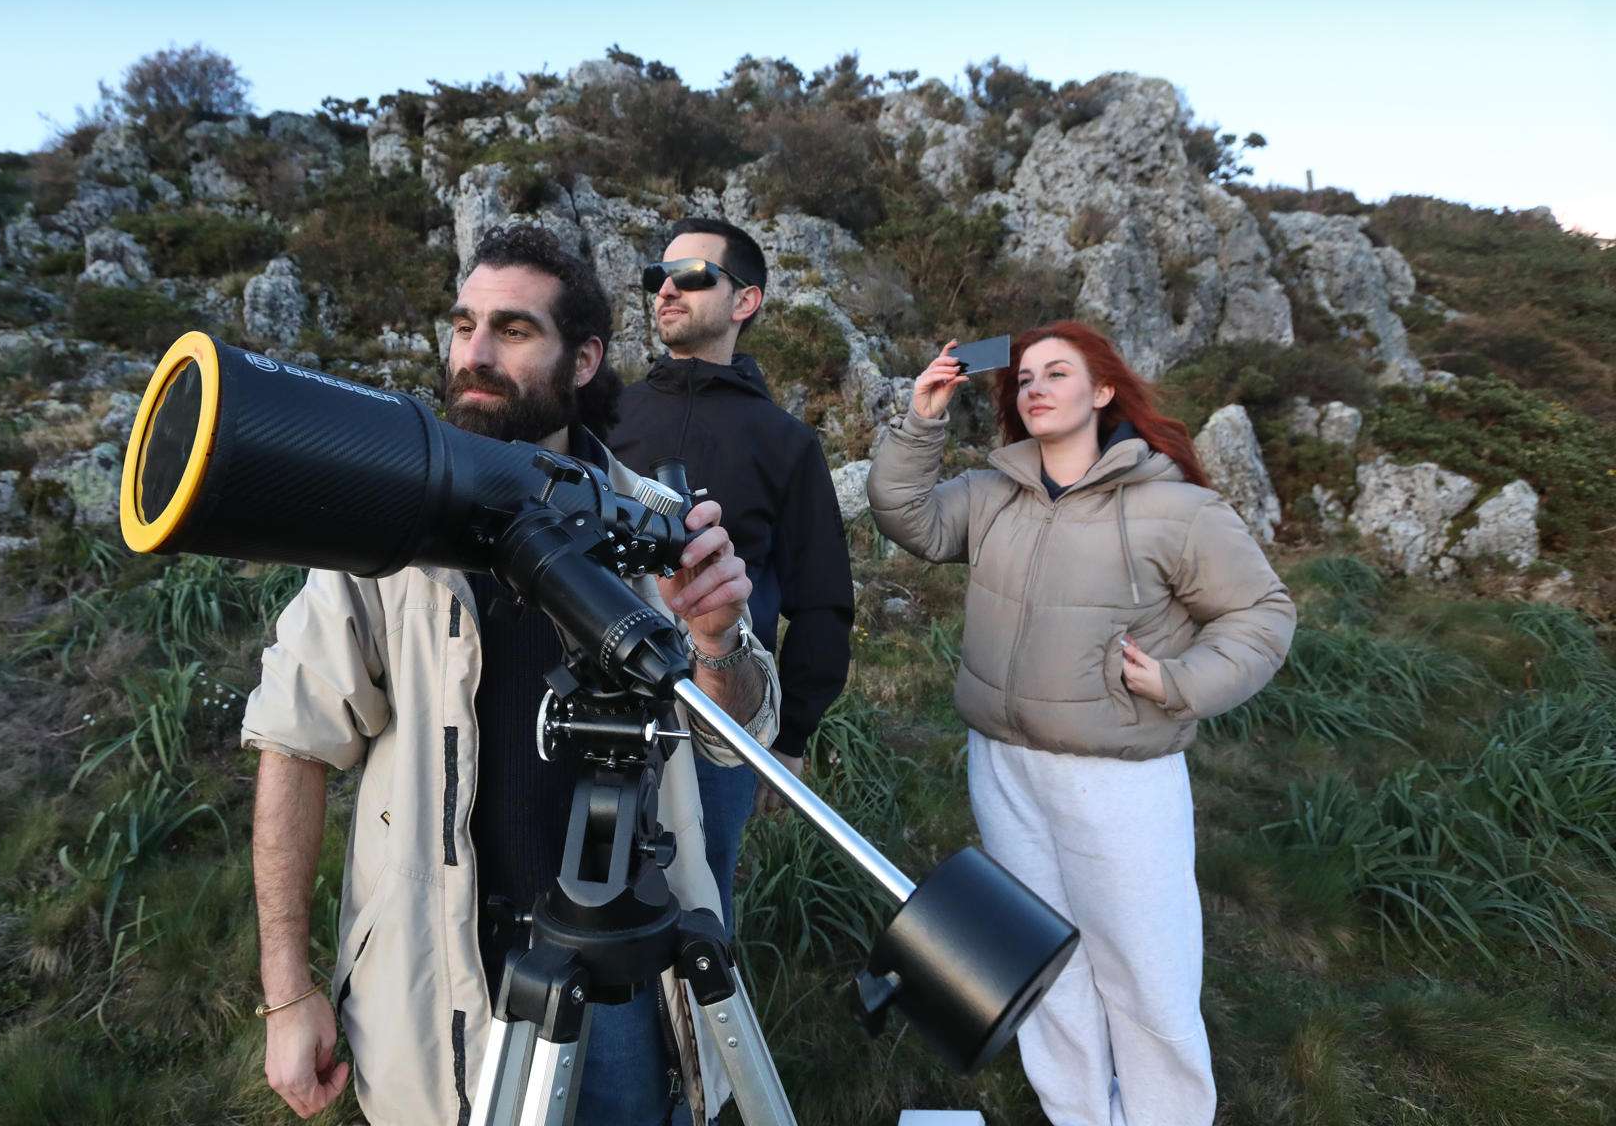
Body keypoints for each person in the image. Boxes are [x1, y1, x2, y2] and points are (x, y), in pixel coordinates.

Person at [243, 224, 780, 1126]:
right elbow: (294, 741)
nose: (475, 355)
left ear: (584, 360)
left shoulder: (654, 518)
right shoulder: (388, 530)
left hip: (624, 973)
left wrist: (719, 638)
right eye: (464, 326)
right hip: (437, 972)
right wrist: (288, 992)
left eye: (515, 330)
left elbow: (737, 734)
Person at [866, 320, 1294, 1126]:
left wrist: (1178, 681)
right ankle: (1078, 1115)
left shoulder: (1176, 508)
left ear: (1102, 390)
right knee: (1044, 963)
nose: (1035, 387)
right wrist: (922, 418)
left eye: (1056, 372)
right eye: (1024, 377)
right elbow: (906, 515)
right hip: (1004, 765)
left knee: (1145, 974)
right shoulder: (993, 493)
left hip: (1119, 778)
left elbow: (1263, 614)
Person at [609, 216, 854, 930]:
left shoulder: (785, 441)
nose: (666, 291)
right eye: (658, 277)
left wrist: (791, 736)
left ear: (745, 301)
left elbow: (822, 599)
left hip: (719, 720)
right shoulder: (609, 415)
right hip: (596, 700)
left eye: (691, 276)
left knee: (698, 916)